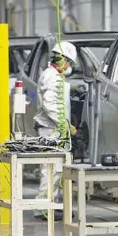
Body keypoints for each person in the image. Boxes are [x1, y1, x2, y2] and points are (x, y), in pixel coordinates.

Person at [33, 41, 77, 221]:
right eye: (69, 62)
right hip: (50, 130)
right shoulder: (52, 76)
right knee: (50, 169)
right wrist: (64, 124)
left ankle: (51, 204)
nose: (70, 66)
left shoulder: (55, 76)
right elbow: (50, 105)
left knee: (57, 170)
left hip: (55, 130)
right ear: (64, 60)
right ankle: (42, 207)